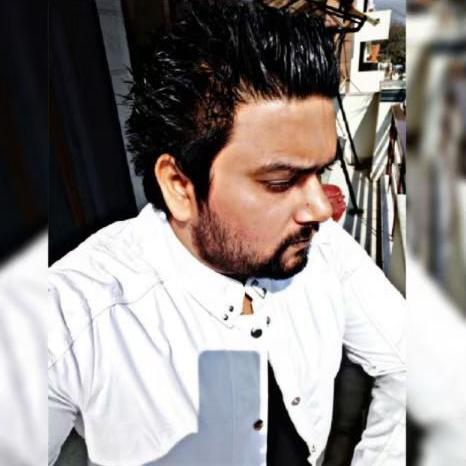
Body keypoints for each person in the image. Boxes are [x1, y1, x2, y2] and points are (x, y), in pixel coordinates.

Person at [48, 1, 406, 465]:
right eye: (281, 181)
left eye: (321, 171)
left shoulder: (325, 248)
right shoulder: (73, 313)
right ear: (179, 186)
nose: (321, 208)